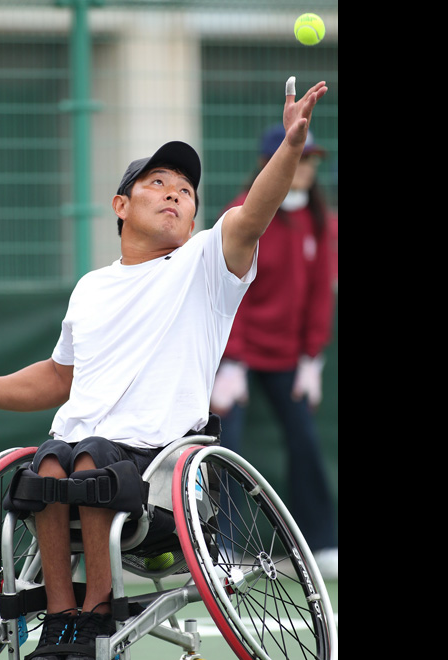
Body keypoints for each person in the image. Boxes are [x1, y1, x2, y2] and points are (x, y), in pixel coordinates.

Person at [0, 79, 328, 660]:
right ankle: (60, 618)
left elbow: (253, 214)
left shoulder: (205, 266)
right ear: (121, 206)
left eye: (186, 191)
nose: (174, 194)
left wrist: (290, 148)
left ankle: (98, 610)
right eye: (157, 184)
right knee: (49, 460)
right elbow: (58, 377)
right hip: (75, 451)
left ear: (195, 217)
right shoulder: (92, 288)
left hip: (161, 464)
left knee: (86, 458)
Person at [210, 122, 338, 579]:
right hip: (237, 357)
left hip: (288, 359)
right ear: (270, 163)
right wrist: (232, 360)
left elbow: (320, 294)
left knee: (305, 442)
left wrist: (312, 358)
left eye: (310, 159)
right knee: (223, 450)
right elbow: (229, 291)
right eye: (297, 157)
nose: (306, 168)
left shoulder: (322, 221)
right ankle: (218, 551)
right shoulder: (243, 213)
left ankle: (322, 543)